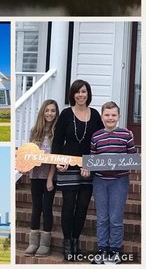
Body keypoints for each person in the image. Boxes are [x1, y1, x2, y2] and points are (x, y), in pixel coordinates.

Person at [48, 79, 104, 260]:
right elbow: (57, 141)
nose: (81, 95)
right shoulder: (65, 114)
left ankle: (75, 240)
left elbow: (100, 142)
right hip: (67, 167)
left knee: (82, 207)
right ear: (72, 95)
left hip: (88, 168)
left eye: (84, 91)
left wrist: (94, 163)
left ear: (88, 94)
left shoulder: (95, 115)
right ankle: (67, 244)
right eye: (77, 92)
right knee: (69, 205)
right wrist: (58, 161)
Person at [90, 101, 136, 264]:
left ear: (119, 117)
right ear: (102, 116)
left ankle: (114, 251)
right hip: (100, 181)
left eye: (113, 115)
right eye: (107, 115)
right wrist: (86, 168)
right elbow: (92, 158)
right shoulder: (96, 136)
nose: (110, 118)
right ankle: (102, 249)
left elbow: (132, 158)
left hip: (119, 181)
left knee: (115, 217)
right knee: (102, 217)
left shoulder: (125, 135)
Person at [24, 99, 59, 257]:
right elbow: (29, 153)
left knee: (47, 208)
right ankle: (33, 242)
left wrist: (50, 179)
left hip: (49, 176)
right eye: (47, 110)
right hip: (35, 175)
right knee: (36, 207)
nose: (50, 113)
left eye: (53, 111)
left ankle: (45, 243)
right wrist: (25, 166)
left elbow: (56, 157)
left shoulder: (56, 133)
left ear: (56, 113)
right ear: (42, 113)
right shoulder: (35, 131)